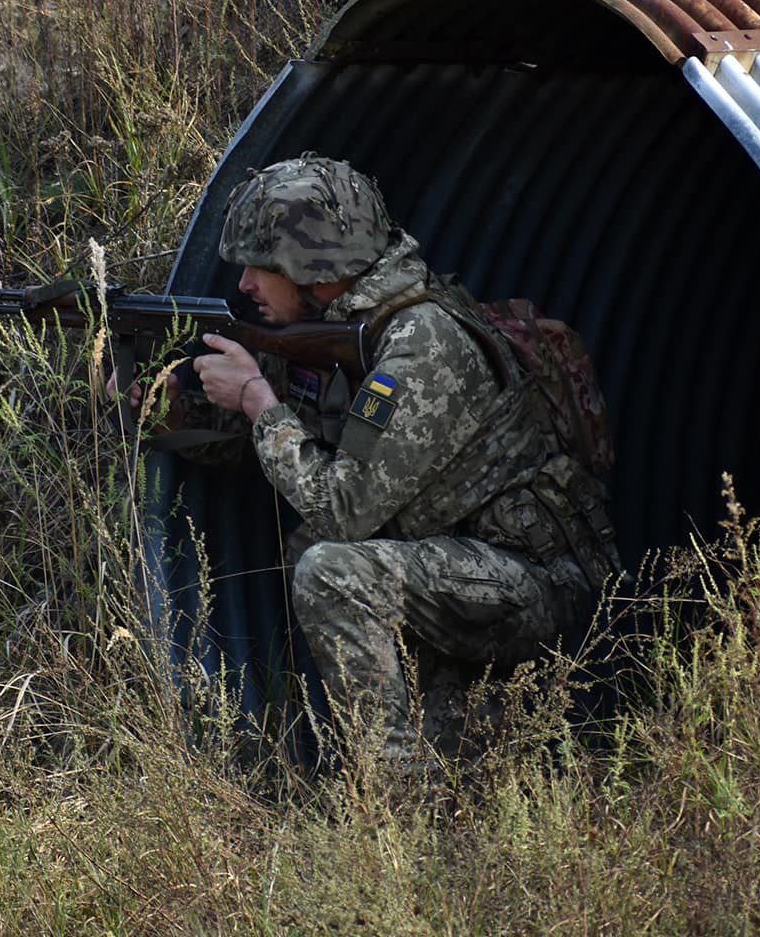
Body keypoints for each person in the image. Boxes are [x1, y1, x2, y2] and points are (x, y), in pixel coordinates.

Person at [131, 154, 620, 762]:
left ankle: (392, 804)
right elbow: (277, 450)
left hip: (532, 583)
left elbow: (342, 511)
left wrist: (258, 399)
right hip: (453, 577)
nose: (245, 286)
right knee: (472, 773)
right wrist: (170, 410)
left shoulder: (421, 345)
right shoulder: (336, 334)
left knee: (331, 568)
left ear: (316, 266)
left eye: (261, 265)